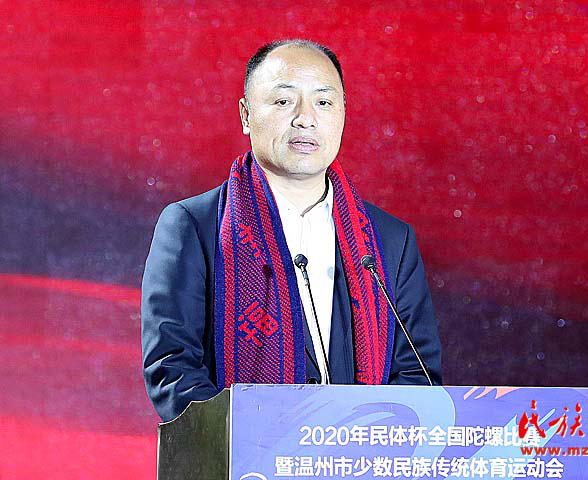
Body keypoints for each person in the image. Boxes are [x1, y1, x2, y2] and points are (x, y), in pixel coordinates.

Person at [141, 39, 442, 422]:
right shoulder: (194, 225)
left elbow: (418, 376)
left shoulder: (390, 241)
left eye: (323, 102)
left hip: (361, 452)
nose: (305, 118)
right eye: (284, 101)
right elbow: (172, 369)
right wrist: (252, 440)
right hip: (240, 452)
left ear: (343, 115)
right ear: (246, 115)